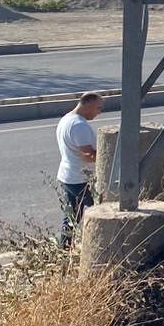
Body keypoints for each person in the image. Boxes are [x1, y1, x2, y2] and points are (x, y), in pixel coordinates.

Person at [55, 92, 102, 247]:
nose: (99, 112)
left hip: (68, 175)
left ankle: (64, 248)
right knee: (103, 209)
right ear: (87, 105)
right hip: (80, 179)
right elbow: (88, 156)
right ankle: (100, 244)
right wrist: (110, 157)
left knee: (72, 217)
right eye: (97, 108)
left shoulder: (66, 119)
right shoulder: (79, 125)